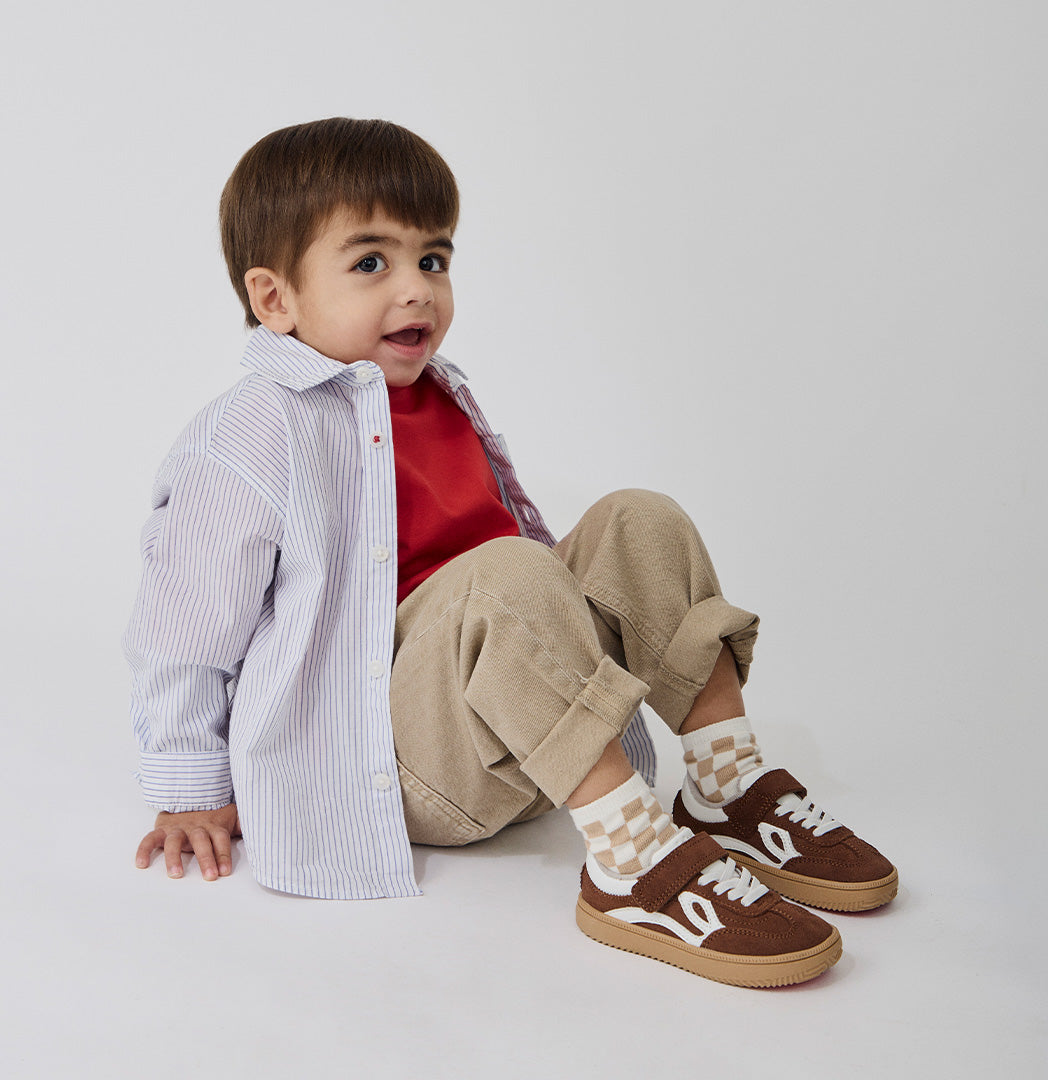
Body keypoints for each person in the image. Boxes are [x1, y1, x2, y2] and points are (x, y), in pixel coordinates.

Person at [125, 117, 896, 988]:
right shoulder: (254, 431)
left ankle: (726, 786)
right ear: (276, 301)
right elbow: (183, 622)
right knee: (507, 570)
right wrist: (188, 786)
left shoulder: (440, 393)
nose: (416, 289)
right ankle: (631, 864)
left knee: (639, 519)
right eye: (371, 262)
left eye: (433, 259)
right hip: (392, 760)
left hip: (514, 726)